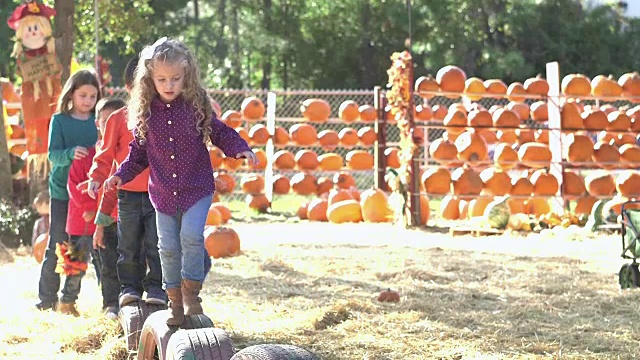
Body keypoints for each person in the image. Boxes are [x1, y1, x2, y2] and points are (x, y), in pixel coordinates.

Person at [104, 37, 256, 326]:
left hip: (197, 188)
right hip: (162, 193)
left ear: (187, 75)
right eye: (161, 79)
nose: (169, 84)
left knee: (191, 237)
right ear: (150, 78)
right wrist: (118, 176)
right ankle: (174, 302)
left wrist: (240, 148)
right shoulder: (145, 114)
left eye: (175, 78)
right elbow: (137, 156)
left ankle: (192, 296)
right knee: (168, 247)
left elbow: (220, 132)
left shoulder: (196, 106)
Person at [87, 54, 167, 308]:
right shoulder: (119, 119)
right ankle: (129, 288)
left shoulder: (164, 116)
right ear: (130, 87)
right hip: (128, 194)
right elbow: (106, 155)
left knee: (156, 244)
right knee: (128, 245)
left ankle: (156, 287)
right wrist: (96, 178)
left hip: (159, 193)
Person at [36, 70, 100, 311]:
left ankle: (69, 298)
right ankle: (46, 299)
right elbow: (53, 154)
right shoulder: (60, 120)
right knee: (58, 242)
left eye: (93, 96)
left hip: (90, 195)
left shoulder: (98, 122)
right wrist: (71, 153)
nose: (87, 100)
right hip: (63, 192)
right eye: (83, 95)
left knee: (83, 245)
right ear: (71, 94)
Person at [91, 97, 126, 319]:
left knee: (132, 262)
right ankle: (110, 305)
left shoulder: (125, 152)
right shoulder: (99, 155)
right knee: (107, 265)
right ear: (98, 123)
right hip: (106, 219)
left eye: (113, 121)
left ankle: (130, 303)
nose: (108, 125)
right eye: (104, 121)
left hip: (127, 217)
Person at [59, 143, 99, 316]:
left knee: (105, 266)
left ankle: (109, 303)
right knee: (75, 266)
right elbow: (74, 186)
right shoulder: (84, 157)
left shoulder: (116, 155)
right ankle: (67, 302)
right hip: (80, 224)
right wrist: (88, 208)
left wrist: (98, 210)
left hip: (104, 222)